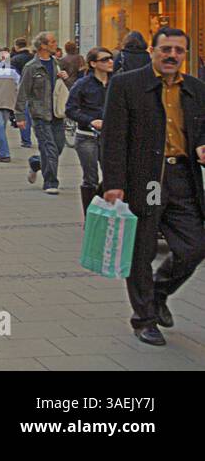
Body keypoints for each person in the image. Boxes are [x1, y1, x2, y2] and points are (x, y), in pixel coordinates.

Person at [100, 27, 205, 347]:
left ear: (185, 55)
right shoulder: (126, 85)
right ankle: (144, 318)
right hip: (146, 180)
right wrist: (114, 183)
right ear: (153, 52)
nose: (172, 55)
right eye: (166, 49)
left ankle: (159, 293)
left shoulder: (196, 89)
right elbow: (113, 137)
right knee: (142, 250)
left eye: (178, 50)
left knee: (195, 245)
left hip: (183, 177)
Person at [13, 31, 66, 196]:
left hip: (57, 113)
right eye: (52, 41)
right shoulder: (31, 67)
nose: (56, 44)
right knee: (49, 148)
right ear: (43, 45)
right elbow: (22, 92)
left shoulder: (56, 63)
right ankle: (51, 181)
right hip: (40, 114)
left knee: (58, 147)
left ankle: (36, 162)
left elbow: (62, 88)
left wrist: (64, 77)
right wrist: (20, 116)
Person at [65, 47, 113, 219]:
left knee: (112, 176)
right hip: (87, 137)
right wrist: (90, 120)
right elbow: (70, 109)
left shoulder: (116, 83)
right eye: (105, 59)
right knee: (90, 178)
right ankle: (91, 217)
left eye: (111, 58)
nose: (110, 62)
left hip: (110, 137)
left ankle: (107, 211)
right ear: (93, 64)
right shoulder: (82, 84)